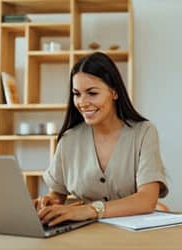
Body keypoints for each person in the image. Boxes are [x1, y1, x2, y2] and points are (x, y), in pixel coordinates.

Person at [35, 52, 168, 226]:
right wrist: (48, 203)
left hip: (136, 233)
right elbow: (57, 195)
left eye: (92, 93)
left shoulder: (143, 132)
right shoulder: (69, 140)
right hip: (86, 234)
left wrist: (89, 210)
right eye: (77, 94)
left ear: (113, 92)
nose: (82, 102)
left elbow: (146, 200)